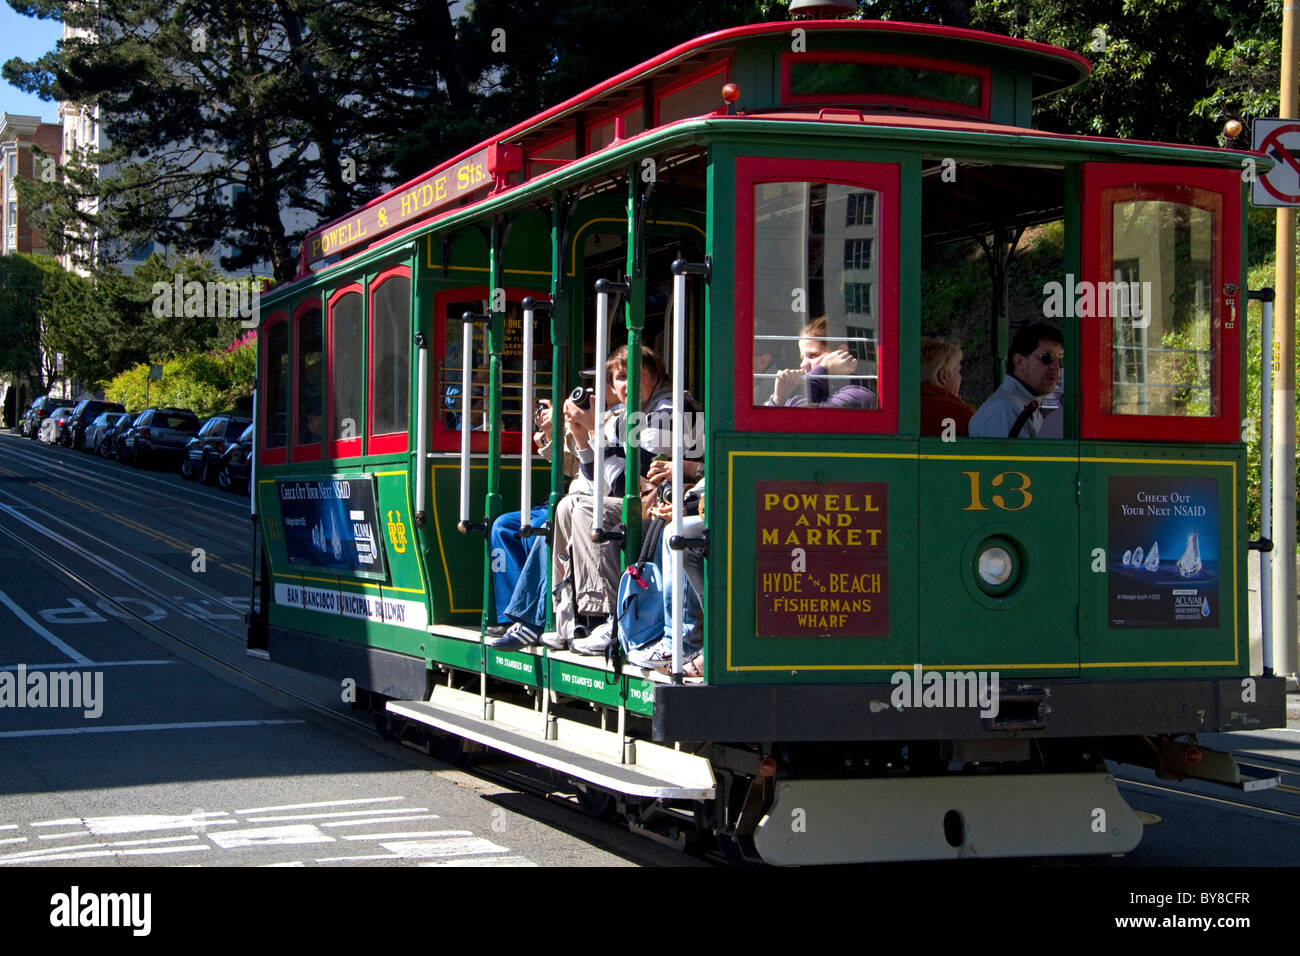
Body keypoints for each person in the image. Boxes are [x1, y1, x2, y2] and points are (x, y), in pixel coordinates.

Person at [968, 322, 1063, 438]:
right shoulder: (1003, 412)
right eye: (1047, 357)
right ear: (1019, 362)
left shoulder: (1025, 406)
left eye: (1060, 360)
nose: (1056, 367)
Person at [767, 316, 876, 409]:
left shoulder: (859, 394)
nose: (803, 364)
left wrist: (824, 368)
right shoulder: (811, 388)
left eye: (813, 355)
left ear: (841, 352)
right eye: (802, 358)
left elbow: (802, 414)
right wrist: (779, 399)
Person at [919, 337, 975, 436]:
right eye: (958, 371)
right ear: (943, 376)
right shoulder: (961, 415)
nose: (961, 378)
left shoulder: (901, 408)